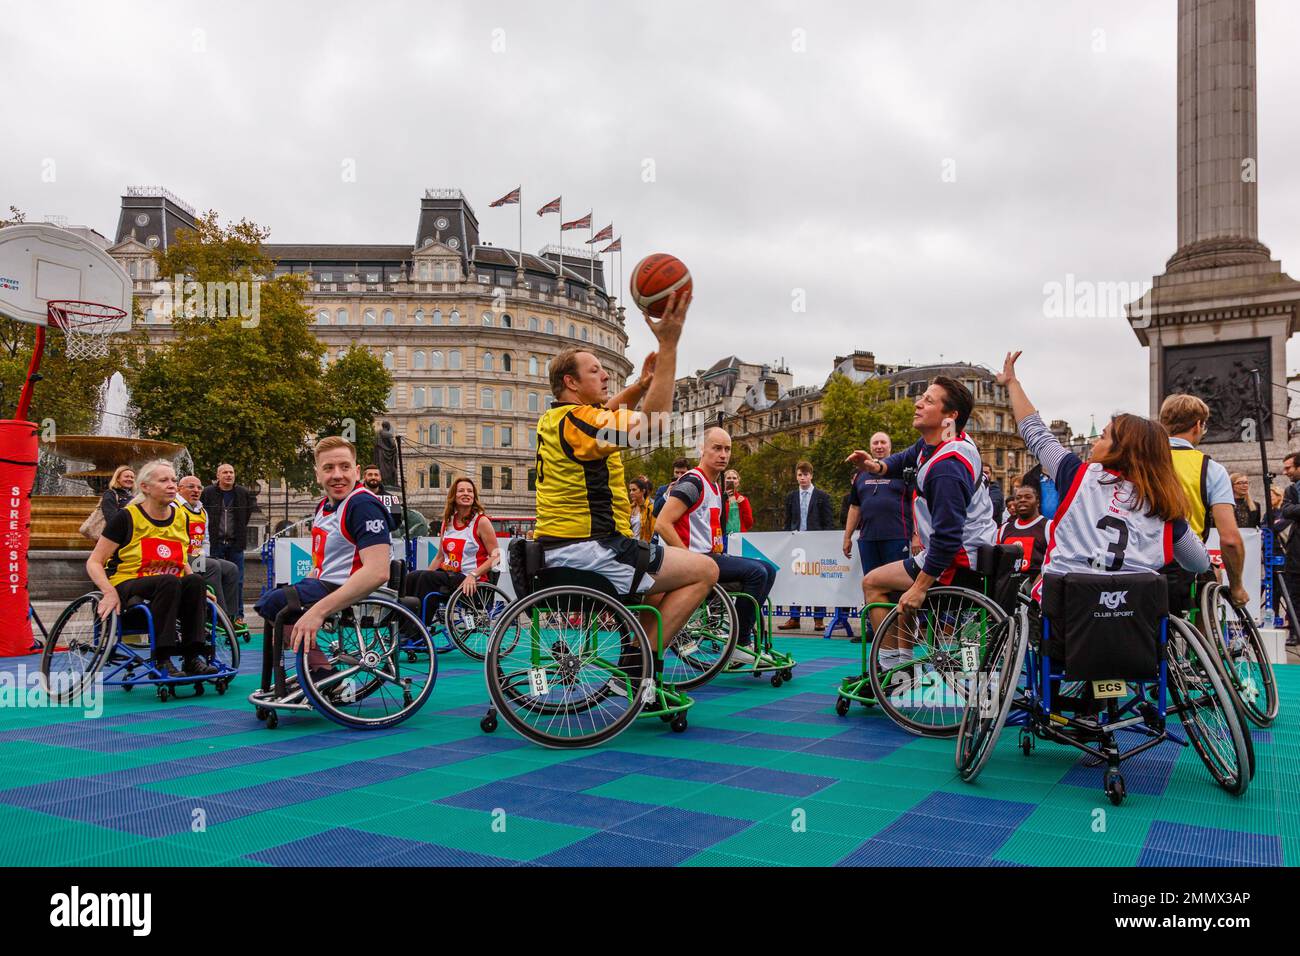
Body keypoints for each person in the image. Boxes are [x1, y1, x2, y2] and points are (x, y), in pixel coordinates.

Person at [534, 289, 718, 661]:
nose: (605, 375)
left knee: (661, 578)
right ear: (570, 382)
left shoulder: (556, 419)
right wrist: (669, 347)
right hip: (590, 548)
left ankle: (634, 653)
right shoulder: (579, 422)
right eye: (595, 370)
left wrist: (640, 385)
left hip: (564, 547)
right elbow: (653, 426)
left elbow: (609, 412)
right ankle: (638, 664)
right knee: (705, 569)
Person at [997, 352, 1209, 595]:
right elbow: (1198, 563)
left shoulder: (1077, 476)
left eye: (1104, 436)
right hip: (1131, 618)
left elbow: (1035, 432)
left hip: (1067, 611)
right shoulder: (1164, 503)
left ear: (1120, 449)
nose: (1096, 441)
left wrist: (1013, 383)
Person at [848, 375, 998, 670]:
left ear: (950, 416)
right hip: (965, 553)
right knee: (898, 589)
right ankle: (902, 668)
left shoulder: (947, 468)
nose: (918, 403)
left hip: (960, 561)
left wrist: (918, 587)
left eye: (929, 401)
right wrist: (875, 466)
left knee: (872, 583)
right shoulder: (947, 439)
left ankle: (889, 668)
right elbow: (907, 456)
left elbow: (947, 539)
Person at [253, 436, 394, 687]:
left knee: (275, 603)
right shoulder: (324, 507)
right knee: (275, 600)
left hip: (351, 588)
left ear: (357, 471)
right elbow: (322, 562)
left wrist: (318, 612)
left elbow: (378, 572)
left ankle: (321, 672)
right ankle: (316, 667)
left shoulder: (362, 505)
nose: (337, 475)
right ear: (317, 474)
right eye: (329, 468)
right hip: (327, 582)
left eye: (344, 467)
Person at [85, 459, 215, 678]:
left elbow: (181, 560)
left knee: (195, 581)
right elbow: (94, 561)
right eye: (164, 480)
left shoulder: (182, 518)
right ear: (145, 487)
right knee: (169, 581)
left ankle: (192, 657)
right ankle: (162, 659)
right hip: (129, 584)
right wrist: (108, 592)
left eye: (174, 480)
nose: (172, 485)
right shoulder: (126, 517)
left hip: (166, 586)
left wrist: (200, 590)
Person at [656, 427, 775, 662]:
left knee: (768, 569)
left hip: (709, 555)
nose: (723, 454)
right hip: (692, 559)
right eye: (717, 448)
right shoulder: (693, 482)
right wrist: (688, 560)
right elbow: (662, 524)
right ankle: (740, 643)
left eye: (727, 449)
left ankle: (742, 638)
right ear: (702, 449)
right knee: (757, 573)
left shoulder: (716, 487)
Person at [1158, 394, 1249, 609]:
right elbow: (1230, 539)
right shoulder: (1212, 470)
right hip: (1185, 563)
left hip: (1135, 564)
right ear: (1198, 425)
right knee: (1205, 596)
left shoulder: (1140, 461)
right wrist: (1236, 586)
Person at [843, 432, 909, 642]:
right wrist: (847, 537)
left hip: (898, 536)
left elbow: (917, 503)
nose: (879, 446)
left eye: (883, 442)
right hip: (869, 539)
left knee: (897, 587)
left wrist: (916, 536)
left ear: (890, 447)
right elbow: (855, 507)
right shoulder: (861, 474)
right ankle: (874, 630)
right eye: (875, 443)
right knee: (872, 585)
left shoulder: (901, 471)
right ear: (870, 447)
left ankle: (901, 633)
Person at [403, 476, 501, 613]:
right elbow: (439, 558)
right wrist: (423, 573)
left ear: (474, 496)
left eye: (470, 491)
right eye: (461, 491)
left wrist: (473, 575)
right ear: (453, 496)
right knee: (413, 577)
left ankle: (417, 627)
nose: (466, 493)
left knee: (426, 579)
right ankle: (400, 622)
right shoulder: (447, 522)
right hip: (448, 575)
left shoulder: (481, 521)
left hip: (470, 578)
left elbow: (496, 557)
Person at [201, 463, 260, 625]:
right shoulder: (208, 493)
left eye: (231, 472)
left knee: (238, 580)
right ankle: (217, 615)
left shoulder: (242, 493)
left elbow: (246, 515)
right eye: (225, 472)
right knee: (215, 580)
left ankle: (238, 616)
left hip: (235, 544)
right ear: (218, 476)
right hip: (214, 543)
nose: (229, 475)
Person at [778, 461, 834, 631]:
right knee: (795, 580)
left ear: (811, 475)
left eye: (805, 474)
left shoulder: (822, 496)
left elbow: (828, 522)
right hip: (796, 545)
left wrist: (826, 542)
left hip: (816, 543)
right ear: (796, 476)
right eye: (799, 475)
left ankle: (819, 619)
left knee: (817, 581)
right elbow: (787, 522)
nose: (802, 478)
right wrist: (785, 541)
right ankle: (794, 618)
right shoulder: (791, 497)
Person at [176, 475, 241, 620]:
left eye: (199, 487)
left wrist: (204, 555)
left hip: (196, 556)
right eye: (191, 487)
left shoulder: (202, 511)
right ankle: (218, 616)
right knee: (212, 566)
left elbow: (205, 539)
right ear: (179, 489)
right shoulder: (174, 507)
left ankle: (231, 617)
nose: (196, 490)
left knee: (231, 568)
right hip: (181, 557)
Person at [998, 482, 1051, 575]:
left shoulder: (1049, 526)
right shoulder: (1004, 528)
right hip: (1007, 585)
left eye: (1028, 497)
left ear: (1037, 501)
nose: (1022, 500)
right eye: (1018, 498)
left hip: (1035, 586)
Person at [362, 463, 404, 531]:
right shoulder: (355, 498)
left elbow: (397, 522)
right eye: (370, 475)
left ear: (380, 477)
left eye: (376, 475)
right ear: (364, 477)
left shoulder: (393, 499)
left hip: (385, 537)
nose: (373, 477)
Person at [723, 469, 754, 534]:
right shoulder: (718, 498)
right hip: (722, 537)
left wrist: (743, 504)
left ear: (738, 482)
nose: (731, 480)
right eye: (728, 478)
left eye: (734, 478)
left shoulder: (743, 499)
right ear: (724, 481)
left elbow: (749, 523)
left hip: (740, 538)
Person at [628, 475, 655, 542]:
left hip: (643, 547)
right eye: (630, 490)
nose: (631, 493)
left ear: (643, 491)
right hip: (629, 546)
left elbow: (654, 532)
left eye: (634, 490)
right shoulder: (629, 507)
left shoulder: (650, 508)